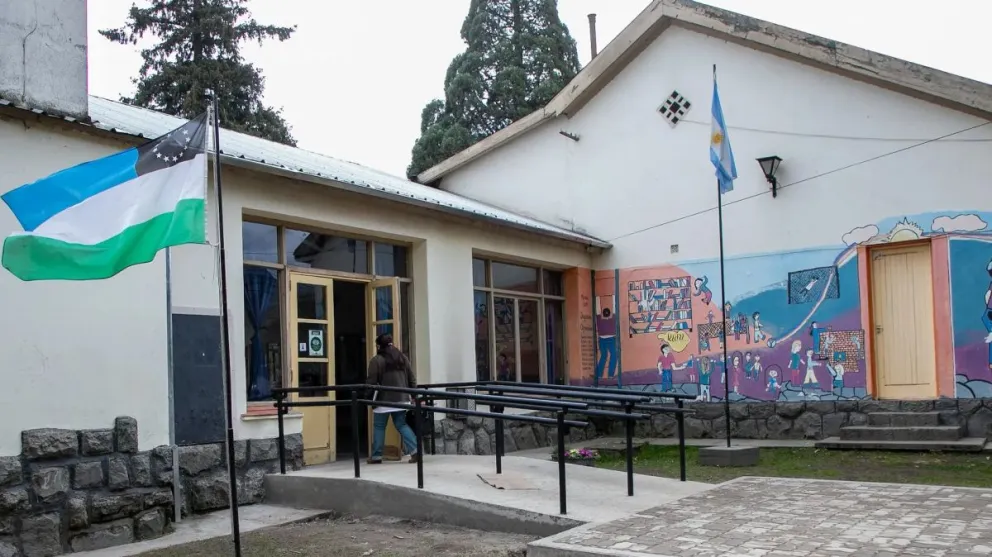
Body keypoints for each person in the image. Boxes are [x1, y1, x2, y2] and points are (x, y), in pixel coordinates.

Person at [366, 334, 420, 464]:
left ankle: (377, 456)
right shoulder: (402, 358)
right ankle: (416, 451)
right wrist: (414, 395)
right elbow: (412, 378)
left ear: (379, 346)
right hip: (402, 397)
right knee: (401, 424)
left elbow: (371, 382)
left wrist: (367, 397)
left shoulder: (376, 360)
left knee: (379, 426)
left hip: (383, 399)